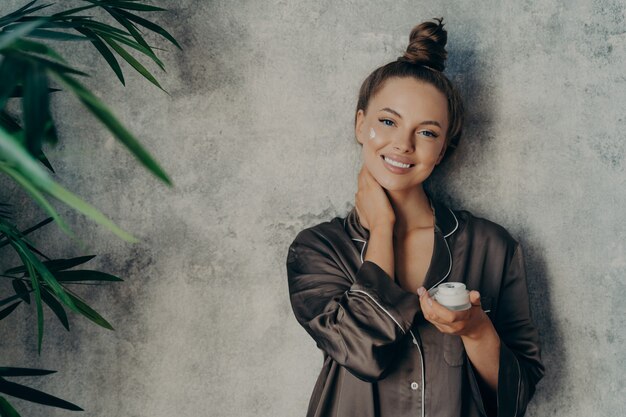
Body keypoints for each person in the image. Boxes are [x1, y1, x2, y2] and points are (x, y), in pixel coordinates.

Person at [285, 17, 544, 417]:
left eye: (426, 132)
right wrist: (384, 228)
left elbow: (516, 399)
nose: (403, 144)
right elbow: (362, 351)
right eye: (388, 122)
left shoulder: (492, 247)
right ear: (360, 124)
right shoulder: (317, 249)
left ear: (442, 149)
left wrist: (475, 330)